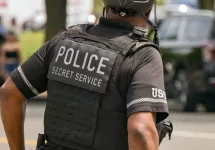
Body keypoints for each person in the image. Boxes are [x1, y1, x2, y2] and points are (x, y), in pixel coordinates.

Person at [0, 0, 169, 150]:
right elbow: (141, 130)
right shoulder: (142, 55)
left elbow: (9, 92)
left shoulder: (63, 40)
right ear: (149, 10)